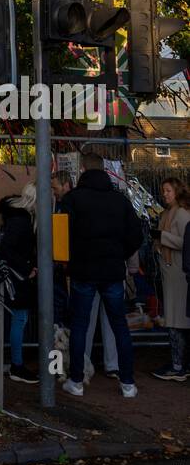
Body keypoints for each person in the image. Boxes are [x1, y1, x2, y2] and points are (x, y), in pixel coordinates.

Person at [61, 152, 142, 399]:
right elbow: (136, 236)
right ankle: (127, 382)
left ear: (83, 169)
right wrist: (119, 254)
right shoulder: (120, 201)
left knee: (79, 326)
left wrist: (69, 260)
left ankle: (76, 380)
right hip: (112, 271)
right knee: (119, 327)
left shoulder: (72, 199)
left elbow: (61, 236)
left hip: (83, 271)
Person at [0, 185, 39, 384]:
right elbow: (7, 249)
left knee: (18, 319)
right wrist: (27, 268)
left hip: (17, 276)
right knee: (20, 319)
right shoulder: (23, 221)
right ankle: (17, 365)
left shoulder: (16, 218)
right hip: (18, 278)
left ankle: (17, 363)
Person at [151, 177, 190, 381]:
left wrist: (161, 237)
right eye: (163, 191)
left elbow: (186, 242)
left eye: (167, 191)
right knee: (175, 318)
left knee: (177, 318)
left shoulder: (181, 214)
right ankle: (180, 363)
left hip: (178, 273)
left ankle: (178, 365)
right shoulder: (168, 212)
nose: (164, 194)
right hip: (171, 271)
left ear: (176, 191)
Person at [52, 170, 74, 327]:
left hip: (67, 262)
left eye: (55, 188)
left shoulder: (69, 205)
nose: (53, 192)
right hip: (61, 262)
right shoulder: (57, 204)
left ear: (66, 185)